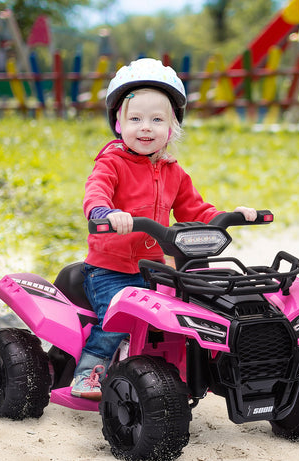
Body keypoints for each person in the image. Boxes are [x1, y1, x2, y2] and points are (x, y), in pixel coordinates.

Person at [72, 58, 257, 400]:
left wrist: (231, 215)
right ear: (118, 123)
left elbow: (196, 210)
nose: (146, 127)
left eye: (157, 120)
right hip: (109, 270)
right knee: (116, 321)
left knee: (185, 317)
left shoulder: (174, 173)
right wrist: (105, 212)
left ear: (171, 128)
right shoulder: (111, 163)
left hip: (155, 268)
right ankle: (87, 374)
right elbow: (95, 192)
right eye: (136, 119)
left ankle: (173, 374)